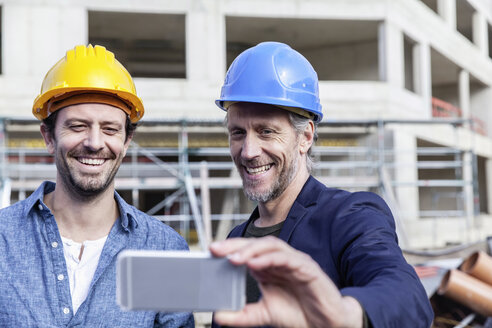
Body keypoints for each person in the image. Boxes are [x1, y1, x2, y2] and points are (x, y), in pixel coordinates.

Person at [211, 42, 433, 327]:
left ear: (305, 137)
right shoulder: (235, 241)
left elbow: (407, 297)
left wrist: (344, 315)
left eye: (266, 131)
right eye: (238, 133)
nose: (248, 151)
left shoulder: (349, 218)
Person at [0, 44, 194, 327]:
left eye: (110, 129)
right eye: (77, 126)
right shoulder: (3, 240)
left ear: (126, 141)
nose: (94, 142)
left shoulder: (164, 250)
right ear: (49, 136)